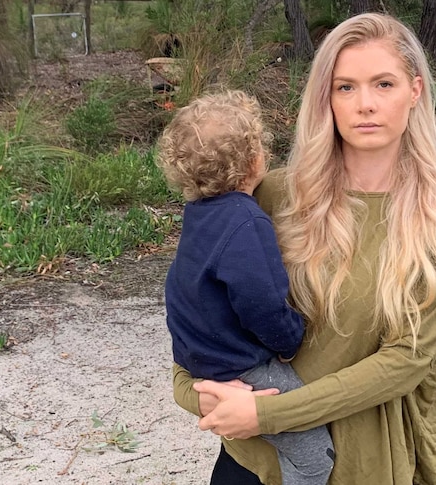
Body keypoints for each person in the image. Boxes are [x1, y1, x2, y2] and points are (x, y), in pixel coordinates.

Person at [171, 12, 436, 485]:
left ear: (414, 91)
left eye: (384, 84)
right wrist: (194, 392)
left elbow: (407, 363)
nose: (365, 105)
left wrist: (270, 414)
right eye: (346, 87)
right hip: (256, 460)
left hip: (363, 463)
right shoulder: (270, 196)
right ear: (326, 99)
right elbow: (201, 298)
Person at [157, 90, 335, 485]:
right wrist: (290, 341)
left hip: (203, 360)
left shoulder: (199, 215)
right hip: (245, 366)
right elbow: (261, 303)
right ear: (255, 160)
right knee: (315, 458)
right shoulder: (246, 223)